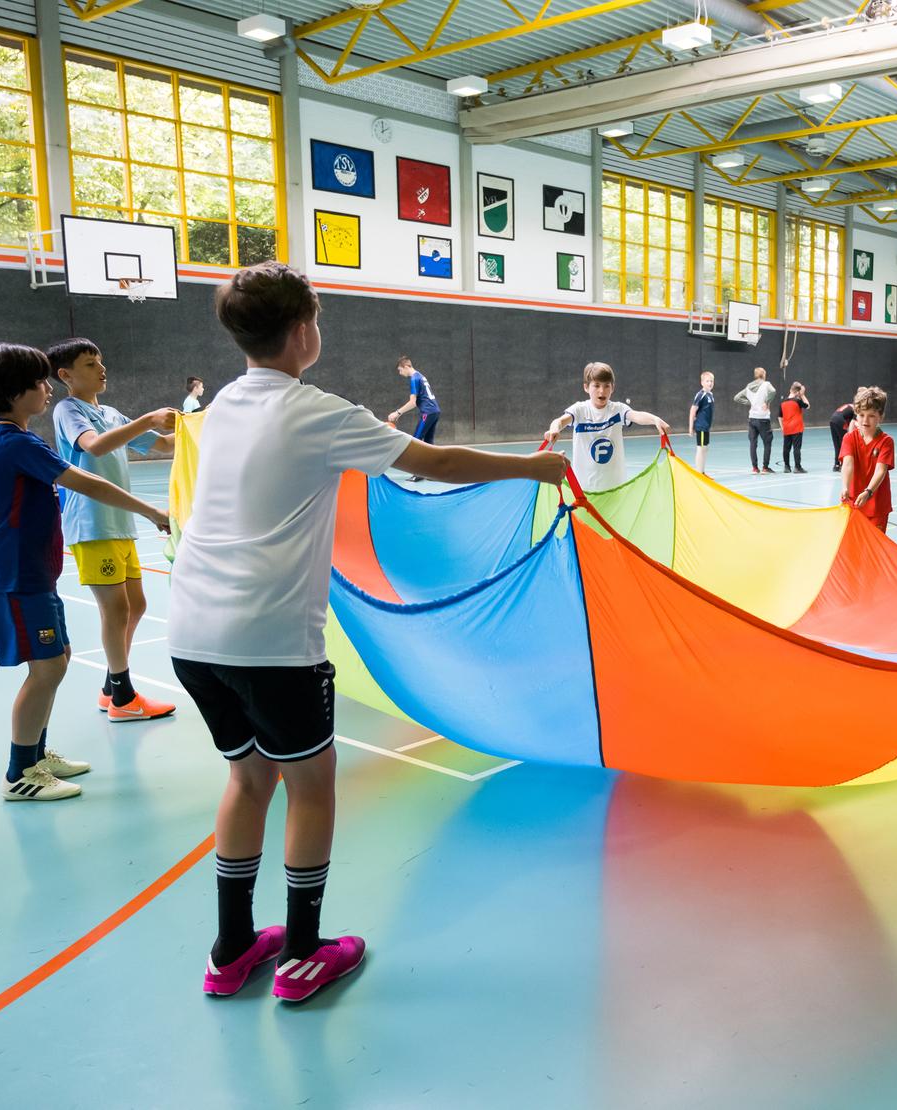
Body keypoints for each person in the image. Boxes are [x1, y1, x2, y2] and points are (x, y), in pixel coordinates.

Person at [170, 262, 566, 1002]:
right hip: (269, 641)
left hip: (192, 628)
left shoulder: (223, 403)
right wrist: (535, 468)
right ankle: (303, 954)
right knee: (311, 787)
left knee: (247, 778)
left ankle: (231, 951)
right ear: (301, 332)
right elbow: (437, 460)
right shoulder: (314, 409)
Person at [0, 343, 169, 803]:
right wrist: (152, 510)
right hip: (14, 574)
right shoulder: (16, 442)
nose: (45, 389)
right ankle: (20, 773)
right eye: (39, 382)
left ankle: (34, 754)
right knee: (47, 668)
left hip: (30, 570)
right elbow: (86, 479)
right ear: (16, 393)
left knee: (56, 660)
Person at [48, 338, 179, 723]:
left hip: (120, 524)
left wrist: (205, 421)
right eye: (90, 364)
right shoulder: (67, 409)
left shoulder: (113, 414)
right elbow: (95, 447)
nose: (101, 368)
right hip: (91, 524)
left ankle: (110, 688)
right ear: (66, 375)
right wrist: (148, 418)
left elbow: (162, 444)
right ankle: (123, 698)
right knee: (117, 609)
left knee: (135, 606)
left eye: (101, 361)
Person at [542, 362, 669, 493]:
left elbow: (636, 415)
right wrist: (554, 429)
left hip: (616, 488)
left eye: (606, 386)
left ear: (612, 387)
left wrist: (655, 420)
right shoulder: (579, 410)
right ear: (586, 387)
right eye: (596, 386)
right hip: (584, 490)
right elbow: (559, 421)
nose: (602, 391)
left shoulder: (618, 409)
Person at [839, 387, 894, 533]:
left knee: (873, 549)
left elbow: (880, 470)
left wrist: (868, 492)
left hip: (877, 507)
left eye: (871, 415)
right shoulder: (849, 438)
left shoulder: (886, 441)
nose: (865, 420)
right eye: (861, 415)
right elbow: (848, 464)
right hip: (854, 504)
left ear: (880, 417)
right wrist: (845, 486)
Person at [387, 357, 442, 482]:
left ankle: (418, 473)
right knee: (428, 443)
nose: (400, 374)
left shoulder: (414, 378)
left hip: (428, 412)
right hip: (435, 411)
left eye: (400, 370)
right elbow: (418, 401)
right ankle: (433, 473)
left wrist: (397, 412)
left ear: (406, 366)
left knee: (416, 442)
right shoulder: (421, 376)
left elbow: (413, 403)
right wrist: (400, 413)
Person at [734, 366, 777, 474]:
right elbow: (773, 391)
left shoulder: (748, 387)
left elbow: (737, 397)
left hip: (752, 419)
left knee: (753, 444)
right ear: (763, 375)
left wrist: (750, 403)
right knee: (767, 443)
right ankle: (765, 468)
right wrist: (766, 402)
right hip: (763, 419)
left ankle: (754, 468)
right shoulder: (766, 384)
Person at [688, 370, 715, 475]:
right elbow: (692, 411)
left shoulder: (710, 394)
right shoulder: (700, 395)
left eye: (711, 381)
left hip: (706, 427)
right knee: (701, 448)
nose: (710, 383)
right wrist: (691, 428)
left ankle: (702, 472)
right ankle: (699, 474)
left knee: (705, 449)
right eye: (707, 381)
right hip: (701, 426)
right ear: (702, 382)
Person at [780, 381, 810, 474]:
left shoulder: (783, 402)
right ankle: (797, 467)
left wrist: (782, 428)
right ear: (798, 392)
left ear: (790, 390)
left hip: (787, 428)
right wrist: (803, 395)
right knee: (796, 448)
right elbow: (808, 406)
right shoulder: (797, 401)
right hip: (796, 428)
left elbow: (779, 416)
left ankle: (786, 467)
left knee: (786, 448)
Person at [828, 400, 855, 473]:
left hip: (832, 420)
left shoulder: (848, 405)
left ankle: (836, 465)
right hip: (840, 420)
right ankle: (843, 464)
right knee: (845, 444)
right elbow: (853, 424)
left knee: (837, 445)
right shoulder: (856, 409)